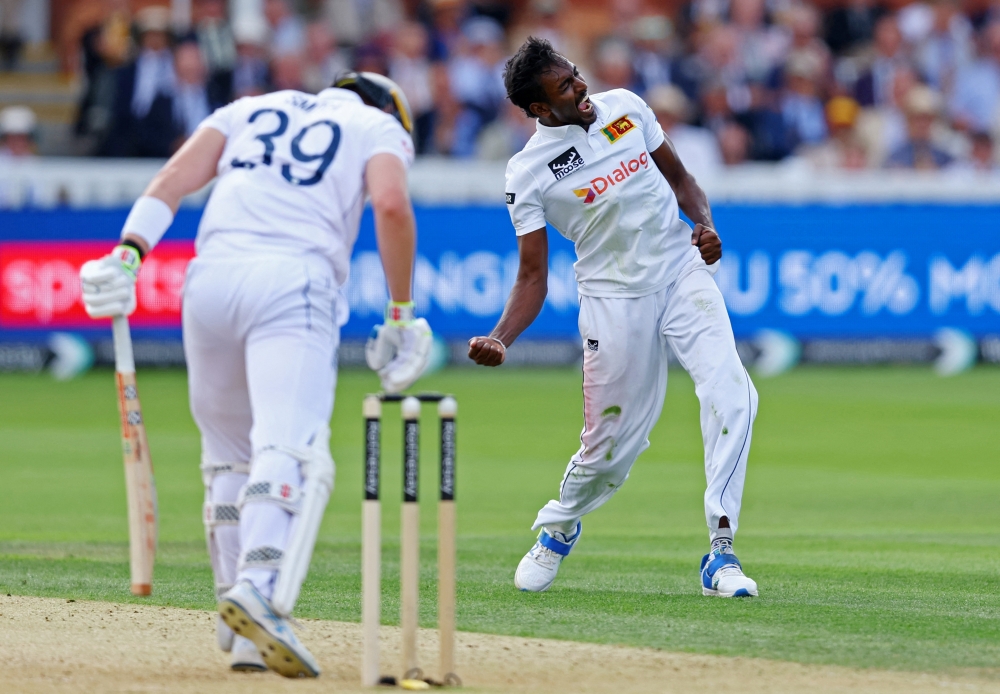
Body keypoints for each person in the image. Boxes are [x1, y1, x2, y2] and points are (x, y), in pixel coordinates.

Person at [79, 72, 432, 677]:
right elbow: (392, 204)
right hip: (292, 280)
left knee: (226, 455)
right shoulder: (376, 126)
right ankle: (260, 589)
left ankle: (237, 621)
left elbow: (171, 181)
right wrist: (400, 314)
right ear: (392, 112)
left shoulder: (249, 107)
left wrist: (128, 253)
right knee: (288, 446)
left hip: (209, 280)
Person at [469, 38, 759, 598]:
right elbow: (532, 278)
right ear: (537, 109)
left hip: (680, 272)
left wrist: (703, 225)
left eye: (575, 74)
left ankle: (720, 554)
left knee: (734, 395)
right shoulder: (527, 173)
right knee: (610, 449)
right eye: (564, 87)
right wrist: (501, 338)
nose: (581, 89)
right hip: (612, 298)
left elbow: (683, 182)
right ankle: (559, 527)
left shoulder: (626, 106)